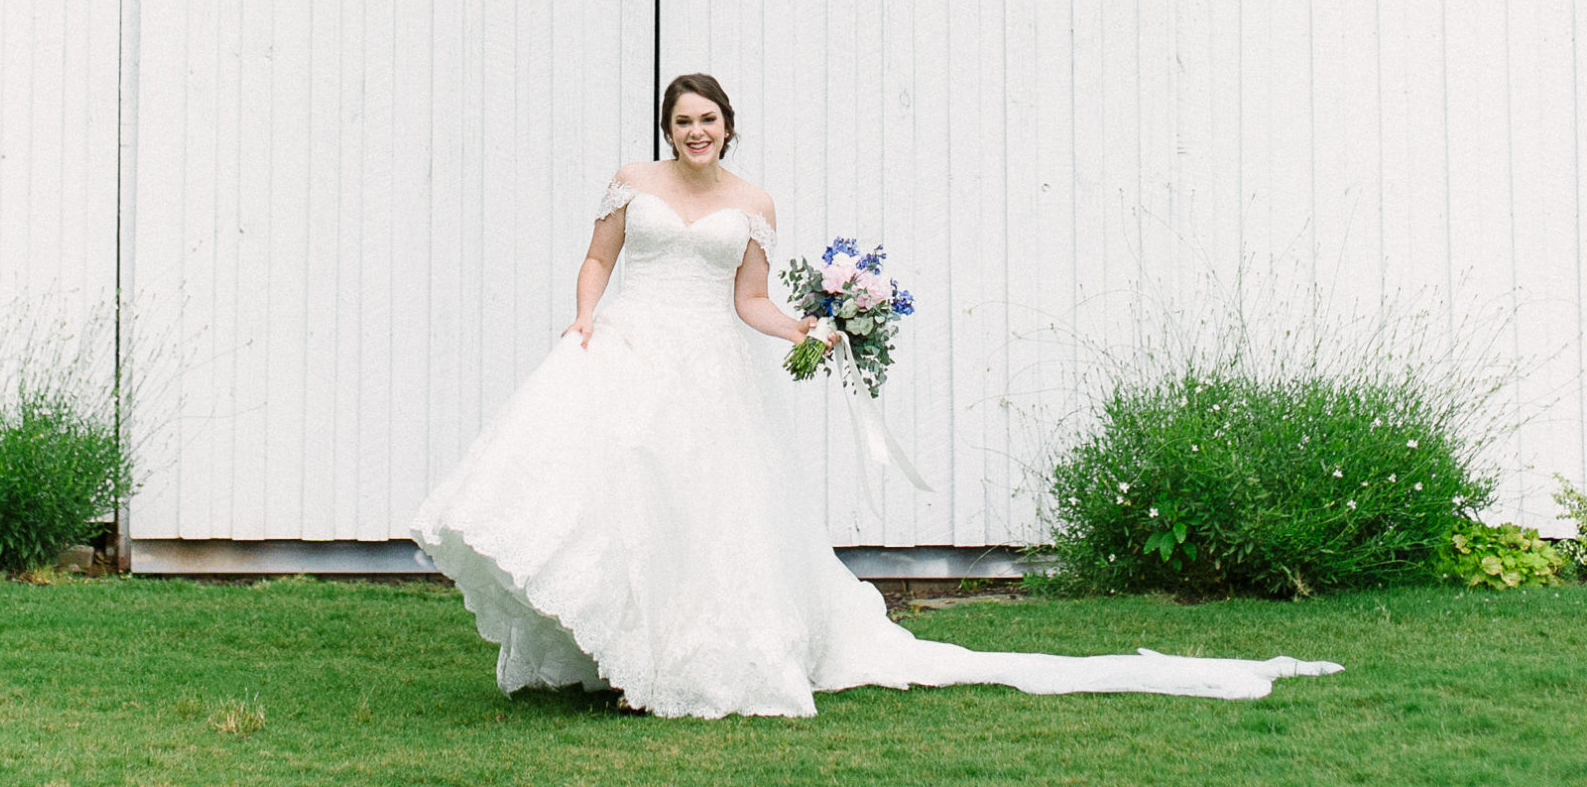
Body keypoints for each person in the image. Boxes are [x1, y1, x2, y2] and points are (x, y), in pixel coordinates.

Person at [413, 72, 1342, 720]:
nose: (694, 134)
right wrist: (582, 321)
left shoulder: (755, 203)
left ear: (728, 127)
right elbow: (598, 260)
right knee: (618, 504)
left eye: (707, 122)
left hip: (707, 368)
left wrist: (813, 329)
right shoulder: (632, 185)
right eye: (681, 123)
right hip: (626, 349)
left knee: (698, 515)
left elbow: (749, 302)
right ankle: (617, 649)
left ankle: (662, 667)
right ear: (668, 131)